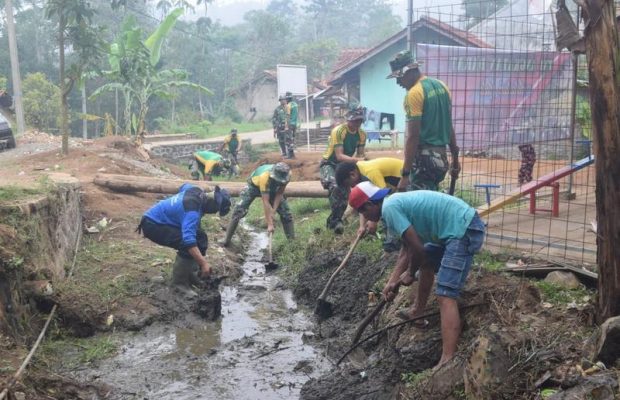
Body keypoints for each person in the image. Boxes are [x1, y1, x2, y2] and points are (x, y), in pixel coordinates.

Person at [348, 181, 485, 369]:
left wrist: (411, 273)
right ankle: (417, 313)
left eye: (363, 213)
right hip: (454, 227)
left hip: (463, 229)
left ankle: (447, 358)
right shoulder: (392, 205)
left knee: (445, 294)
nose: (366, 217)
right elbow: (407, 248)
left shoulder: (390, 209)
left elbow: (417, 249)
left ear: (370, 205)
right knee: (427, 262)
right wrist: (392, 281)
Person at [137, 184, 231, 297]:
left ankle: (191, 275)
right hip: (153, 224)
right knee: (187, 245)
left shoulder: (195, 190)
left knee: (201, 238)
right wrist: (204, 263)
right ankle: (178, 283)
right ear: (212, 203)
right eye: (216, 209)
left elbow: (183, 186)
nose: (214, 212)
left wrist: (175, 208)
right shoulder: (192, 211)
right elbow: (188, 241)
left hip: (163, 220)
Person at [387, 50, 460, 192]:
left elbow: (413, 136)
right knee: (431, 201)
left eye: (399, 77)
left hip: (424, 161)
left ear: (409, 71)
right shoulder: (442, 86)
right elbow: (448, 125)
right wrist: (455, 161)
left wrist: (405, 174)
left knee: (419, 206)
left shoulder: (414, 94)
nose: (398, 82)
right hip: (441, 160)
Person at [223, 162, 295, 247]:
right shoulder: (264, 177)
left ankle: (292, 244)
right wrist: (270, 224)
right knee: (238, 211)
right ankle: (226, 241)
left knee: (286, 213)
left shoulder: (287, 175)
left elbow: (279, 193)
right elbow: (265, 201)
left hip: (272, 188)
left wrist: (274, 210)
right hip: (254, 185)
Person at [320, 106, 367, 234]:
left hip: (345, 165)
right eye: (354, 120)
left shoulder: (362, 134)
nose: (357, 123)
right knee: (336, 186)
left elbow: (360, 155)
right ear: (348, 119)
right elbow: (339, 155)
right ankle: (336, 221)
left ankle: (359, 215)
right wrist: (358, 160)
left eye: (359, 121)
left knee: (360, 184)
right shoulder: (339, 131)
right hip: (329, 164)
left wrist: (361, 163)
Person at [335, 157, 403, 237]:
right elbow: (362, 204)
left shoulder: (370, 173)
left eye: (349, 184)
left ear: (352, 175)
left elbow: (384, 199)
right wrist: (362, 226)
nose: (352, 187)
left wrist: (373, 221)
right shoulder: (360, 172)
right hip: (395, 186)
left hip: (407, 178)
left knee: (390, 212)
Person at [285, 91, 298, 159]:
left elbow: (288, 116)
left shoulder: (288, 106)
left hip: (290, 124)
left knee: (288, 140)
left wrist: (287, 126)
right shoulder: (295, 104)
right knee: (292, 139)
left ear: (287, 99)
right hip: (295, 124)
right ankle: (292, 155)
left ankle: (290, 155)